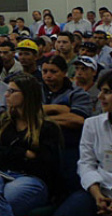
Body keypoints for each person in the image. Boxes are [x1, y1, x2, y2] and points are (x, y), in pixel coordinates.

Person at [0, 74, 63, 216]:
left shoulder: (47, 128)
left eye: (12, 91)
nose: (6, 94)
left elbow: (45, 165)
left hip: (31, 179)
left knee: (4, 197)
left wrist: (2, 156)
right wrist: (23, 154)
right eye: (7, 90)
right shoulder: (1, 119)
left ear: (28, 95)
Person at [54, 71, 112, 216]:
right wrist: (97, 194)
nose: (100, 97)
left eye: (107, 92)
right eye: (100, 91)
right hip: (98, 189)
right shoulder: (92, 124)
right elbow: (86, 163)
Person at [41, 55, 91, 193]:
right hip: (42, 146)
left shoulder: (77, 93)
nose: (48, 75)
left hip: (68, 147)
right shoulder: (37, 91)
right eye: (45, 71)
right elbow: (26, 112)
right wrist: (58, 109)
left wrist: (42, 117)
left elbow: (78, 120)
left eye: (53, 71)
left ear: (64, 73)